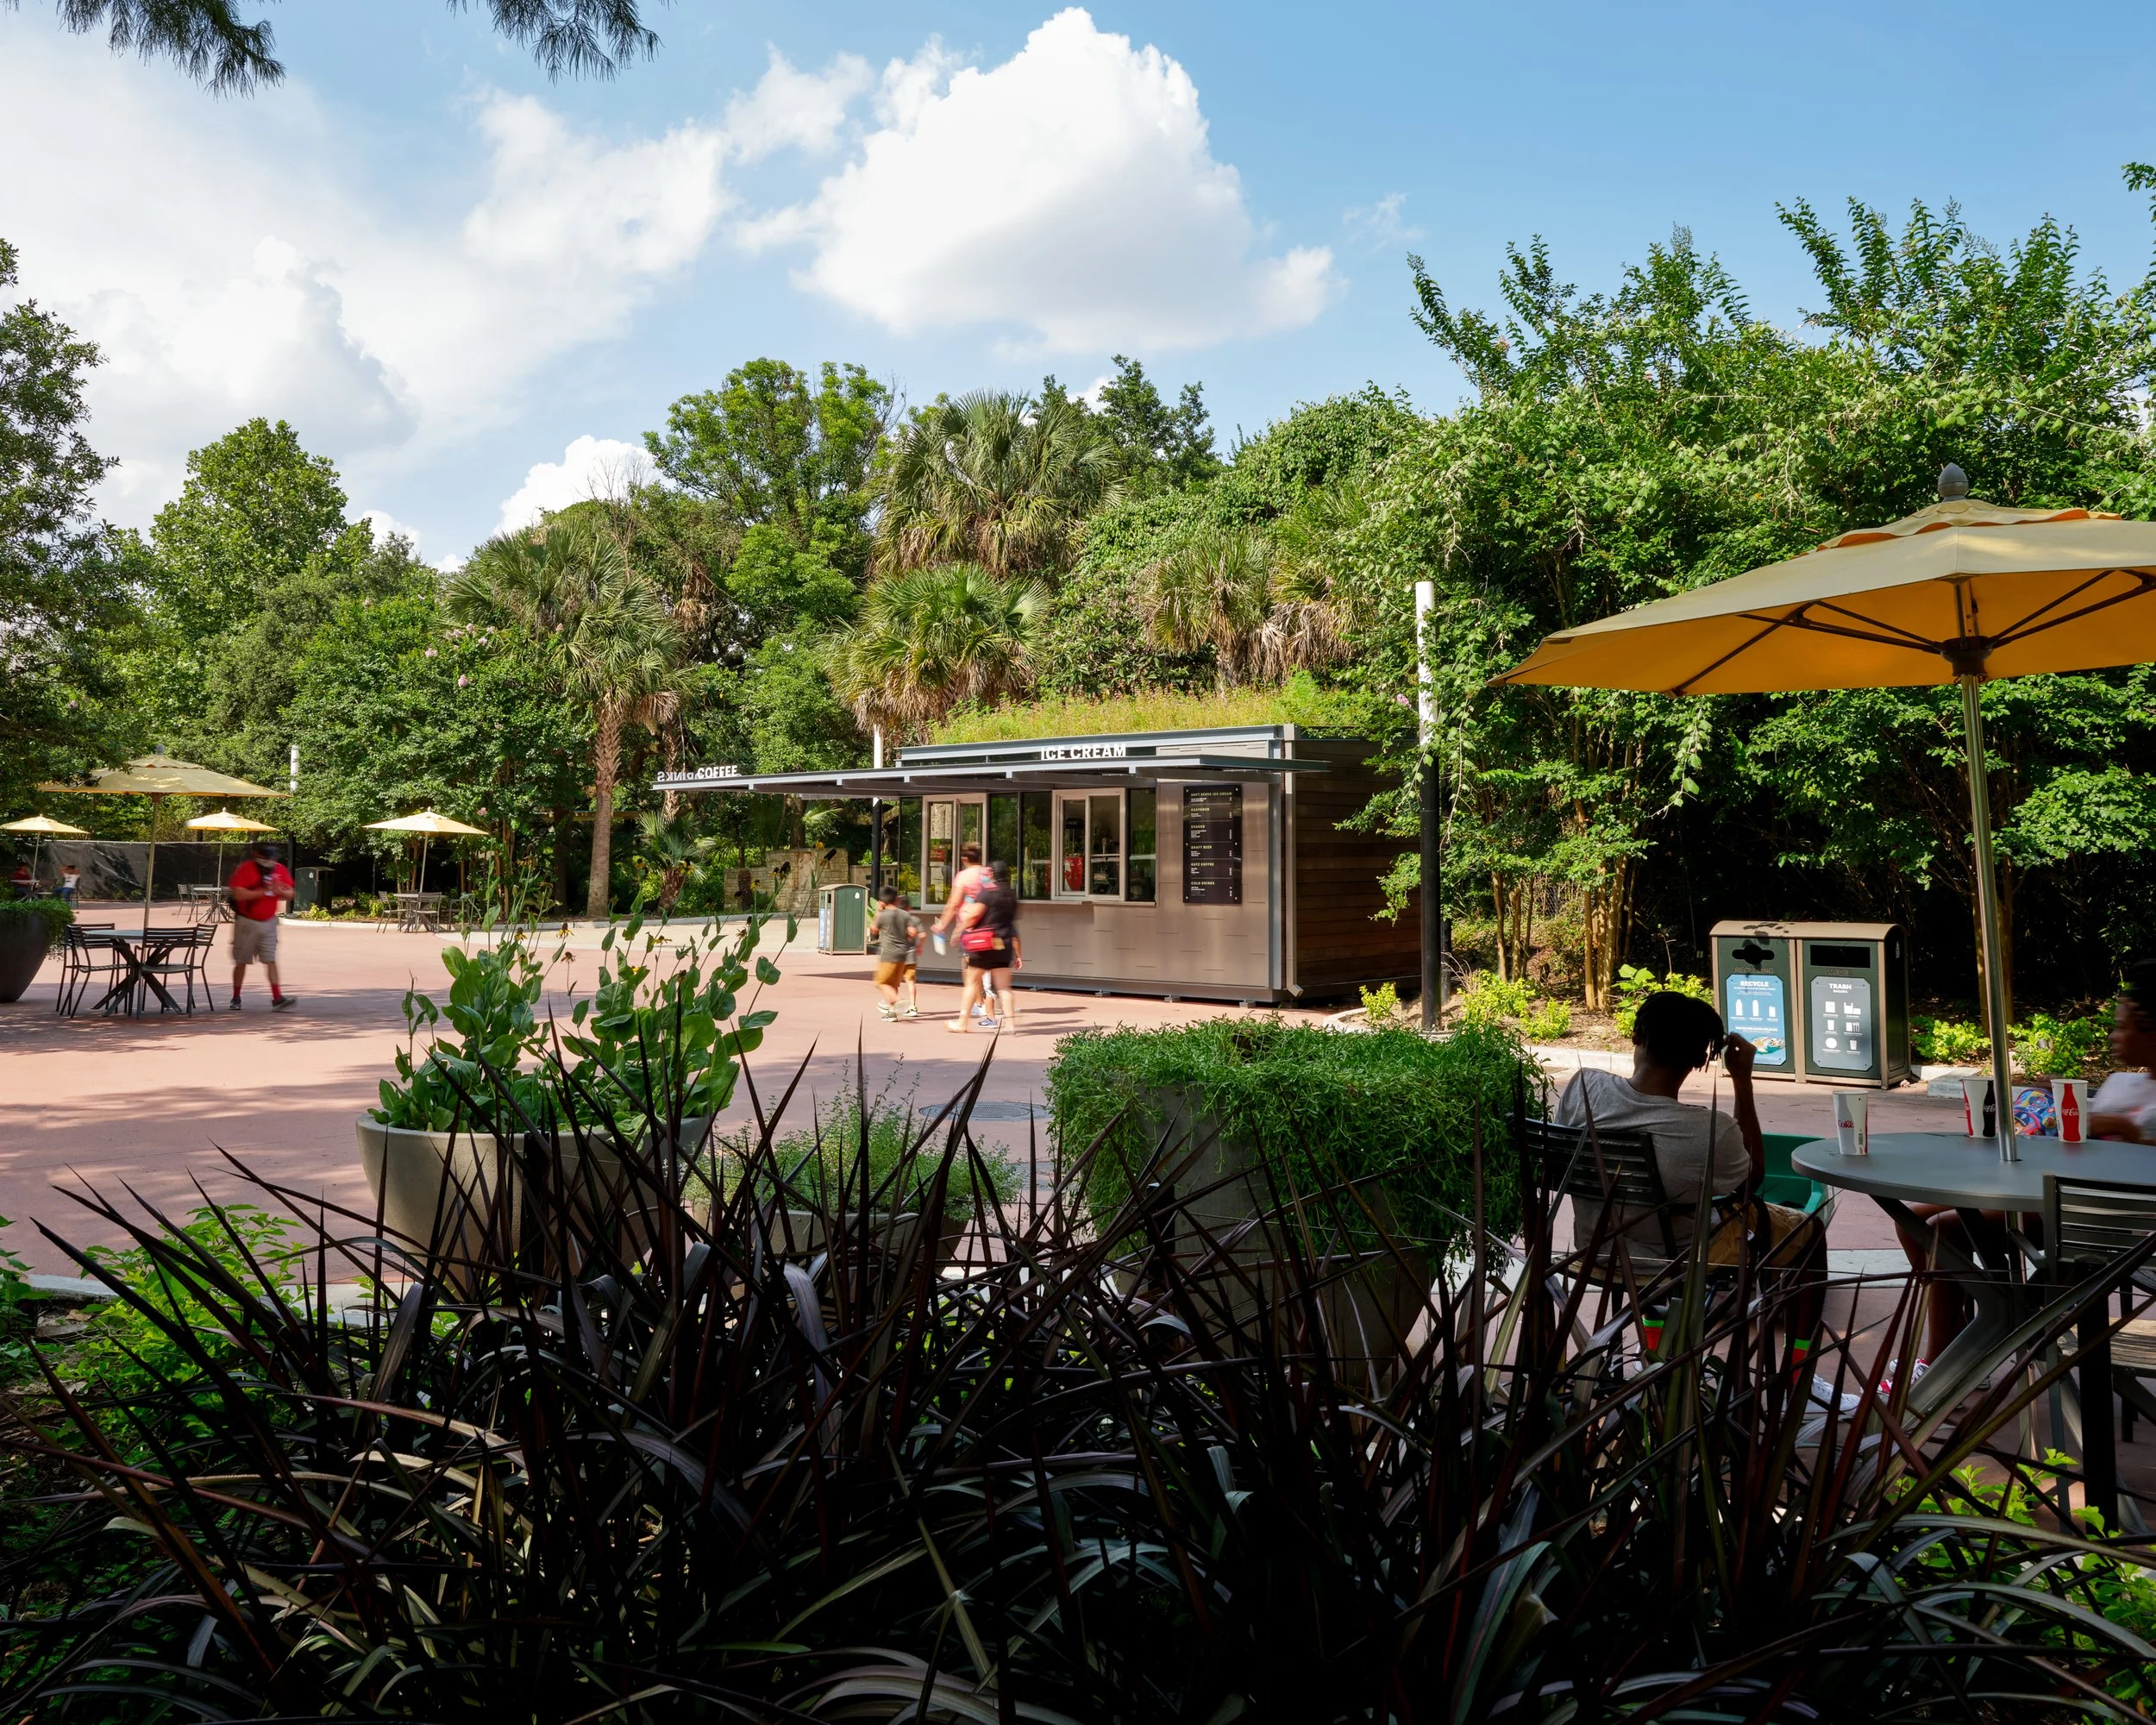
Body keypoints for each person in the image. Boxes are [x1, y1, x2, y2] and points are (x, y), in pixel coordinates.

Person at [1900, 960, 2156, 1371]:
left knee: (1942, 1230)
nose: (2113, 1035)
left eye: (2123, 1026)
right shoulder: (2126, 1082)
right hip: (2053, 1196)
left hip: (2096, 1220)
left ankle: (1949, 1357)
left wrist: (2129, 1131)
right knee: (1912, 1218)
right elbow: (2078, 1131)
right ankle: (1974, 1326)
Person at [1556, 991, 1825, 1352]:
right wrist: (1742, 1080)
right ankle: (1796, 1370)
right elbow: (1750, 1183)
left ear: (1637, 1036)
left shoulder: (1584, 1086)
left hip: (1597, 1249)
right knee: (1811, 1231)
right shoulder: (1708, 1131)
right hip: (1676, 1256)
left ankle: (1654, 1349)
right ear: (1701, 1059)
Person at [948, 861, 1019, 1033]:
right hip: (1005, 944)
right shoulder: (1011, 895)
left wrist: (959, 931)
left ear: (992, 874)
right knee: (1004, 987)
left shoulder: (988, 893)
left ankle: (962, 1022)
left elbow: (974, 914)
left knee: (972, 982)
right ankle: (1010, 1025)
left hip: (984, 944)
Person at [228, 840, 296, 1010]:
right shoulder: (246, 869)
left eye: (273, 858)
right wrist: (264, 891)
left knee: (270, 960)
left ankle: (277, 997)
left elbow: (291, 893)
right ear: (258, 857)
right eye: (267, 858)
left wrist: (281, 892)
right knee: (241, 961)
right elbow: (239, 894)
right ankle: (236, 998)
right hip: (247, 922)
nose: (271, 861)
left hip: (269, 922)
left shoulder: (279, 869)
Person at [872, 885, 922, 1020]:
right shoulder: (905, 914)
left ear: (882, 901)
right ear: (896, 899)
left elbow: (873, 930)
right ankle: (892, 1013)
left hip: (889, 954)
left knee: (880, 981)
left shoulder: (883, 915)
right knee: (893, 984)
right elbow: (912, 932)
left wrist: (878, 910)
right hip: (903, 954)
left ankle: (898, 1000)